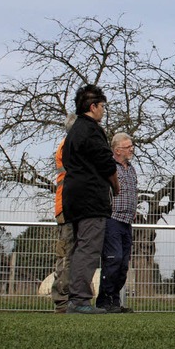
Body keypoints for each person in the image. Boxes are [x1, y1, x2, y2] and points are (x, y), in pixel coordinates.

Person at [62, 85, 119, 314]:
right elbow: (106, 162)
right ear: (93, 106)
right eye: (102, 106)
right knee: (88, 248)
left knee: (79, 247)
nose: (103, 111)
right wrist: (116, 186)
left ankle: (76, 297)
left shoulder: (73, 131)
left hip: (73, 196)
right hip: (91, 197)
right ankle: (80, 300)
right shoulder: (92, 130)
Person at [95, 133, 138, 313]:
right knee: (114, 259)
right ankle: (104, 300)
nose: (132, 149)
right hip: (112, 219)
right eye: (128, 147)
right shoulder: (109, 168)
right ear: (118, 150)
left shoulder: (131, 169)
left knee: (123, 263)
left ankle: (115, 300)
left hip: (127, 221)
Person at [50, 114, 77, 313]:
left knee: (74, 255)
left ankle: (72, 299)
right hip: (68, 207)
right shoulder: (69, 146)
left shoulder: (70, 145)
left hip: (73, 206)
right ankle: (62, 300)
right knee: (67, 255)